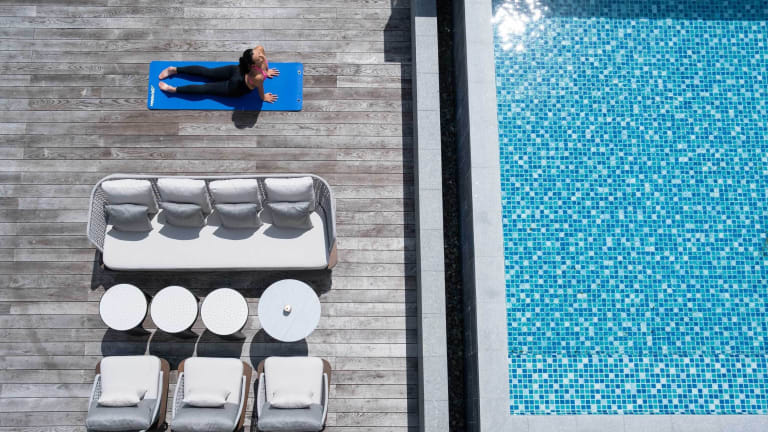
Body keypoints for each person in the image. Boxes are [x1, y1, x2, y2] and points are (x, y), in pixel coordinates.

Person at [157, 46, 279, 103]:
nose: (262, 56)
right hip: (236, 87)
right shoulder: (258, 77)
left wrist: (266, 70)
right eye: (259, 57)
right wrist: (264, 98)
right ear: (252, 65)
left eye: (260, 54)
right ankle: (173, 84)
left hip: (236, 71)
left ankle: (174, 75)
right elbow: (260, 89)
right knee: (206, 86)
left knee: (208, 76)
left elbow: (262, 62)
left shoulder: (259, 49)